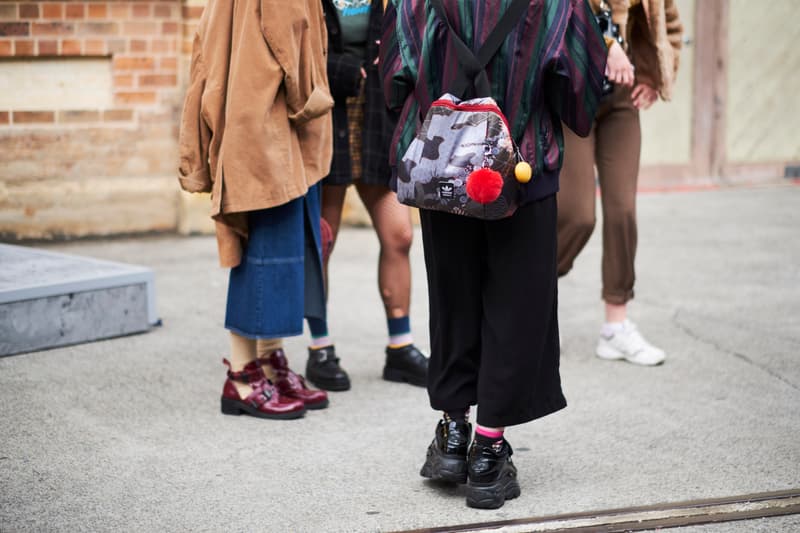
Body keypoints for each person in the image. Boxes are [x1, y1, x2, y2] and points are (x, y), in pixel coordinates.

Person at [382, 0, 606, 509]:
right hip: (520, 170)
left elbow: (393, 80)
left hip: (441, 167)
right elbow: (580, 95)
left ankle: (453, 433)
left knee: (453, 296)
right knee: (515, 305)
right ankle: (488, 450)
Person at [178, 0, 334, 419]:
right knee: (266, 249)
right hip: (271, 121)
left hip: (248, 112)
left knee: (270, 243)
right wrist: (313, 103)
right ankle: (243, 377)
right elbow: (293, 43)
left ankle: (269, 360)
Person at [304, 0, 429, 392]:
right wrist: (335, 70)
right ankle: (319, 348)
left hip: (379, 115)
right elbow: (292, 51)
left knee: (400, 235)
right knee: (323, 240)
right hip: (328, 117)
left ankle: (400, 347)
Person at [557, 0, 683, 366]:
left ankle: (616, 326)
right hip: (574, 91)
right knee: (577, 215)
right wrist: (608, 47)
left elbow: (669, 25)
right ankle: (524, 300)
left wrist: (654, 75)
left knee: (623, 211)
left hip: (621, 100)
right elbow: (558, 15)